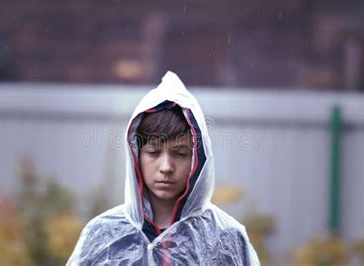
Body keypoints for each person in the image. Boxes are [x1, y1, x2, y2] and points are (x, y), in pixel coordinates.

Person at [67, 71, 260, 265]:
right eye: (153, 152)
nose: (166, 167)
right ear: (135, 155)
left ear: (198, 159)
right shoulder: (105, 235)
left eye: (180, 153)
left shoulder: (226, 238)